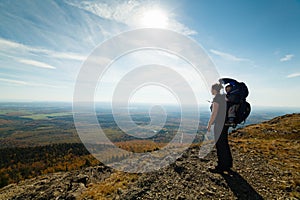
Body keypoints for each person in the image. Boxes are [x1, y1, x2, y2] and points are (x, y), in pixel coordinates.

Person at [207, 83, 233, 173]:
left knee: (220, 144)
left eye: (211, 89)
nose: (211, 91)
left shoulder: (217, 98)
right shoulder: (224, 97)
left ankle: (221, 166)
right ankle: (228, 163)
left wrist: (209, 124)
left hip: (219, 123)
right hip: (226, 123)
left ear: (214, 90)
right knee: (224, 142)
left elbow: (214, 113)